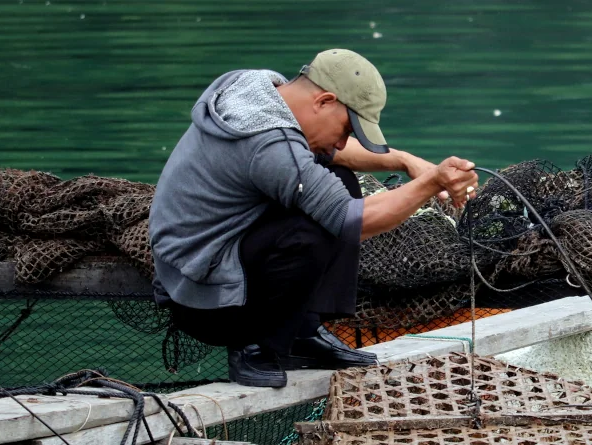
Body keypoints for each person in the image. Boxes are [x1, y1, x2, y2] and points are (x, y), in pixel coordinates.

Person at [149, 49, 478, 388]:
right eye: (346, 128)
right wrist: (432, 183)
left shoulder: (260, 88)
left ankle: (303, 332)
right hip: (207, 307)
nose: (341, 141)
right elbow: (353, 221)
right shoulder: (268, 144)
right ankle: (254, 345)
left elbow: (331, 153)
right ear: (323, 101)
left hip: (199, 273)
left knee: (341, 177)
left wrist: (406, 161)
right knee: (313, 228)